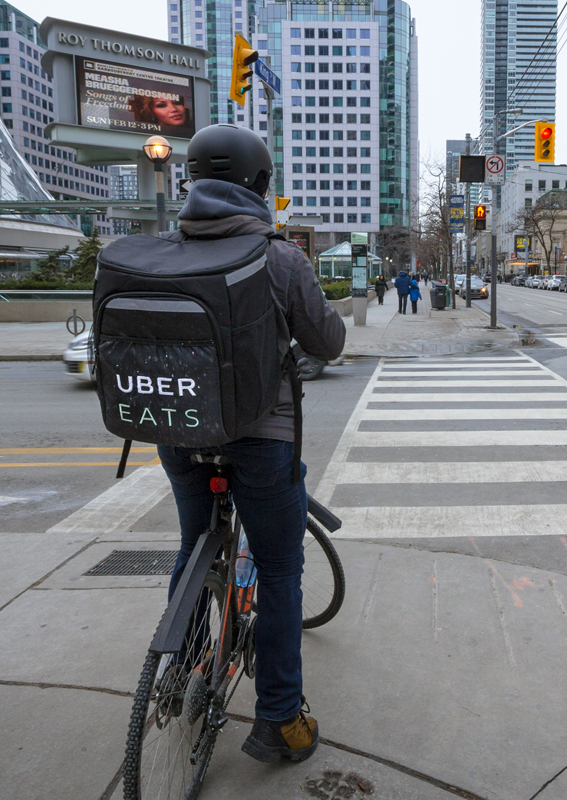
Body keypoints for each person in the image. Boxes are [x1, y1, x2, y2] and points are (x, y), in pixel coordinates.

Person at [157, 123, 345, 764]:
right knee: (281, 570)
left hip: (181, 435)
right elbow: (328, 343)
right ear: (260, 186)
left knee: (191, 546)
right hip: (263, 442)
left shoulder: (163, 253)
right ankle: (280, 721)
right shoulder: (281, 257)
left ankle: (177, 677)